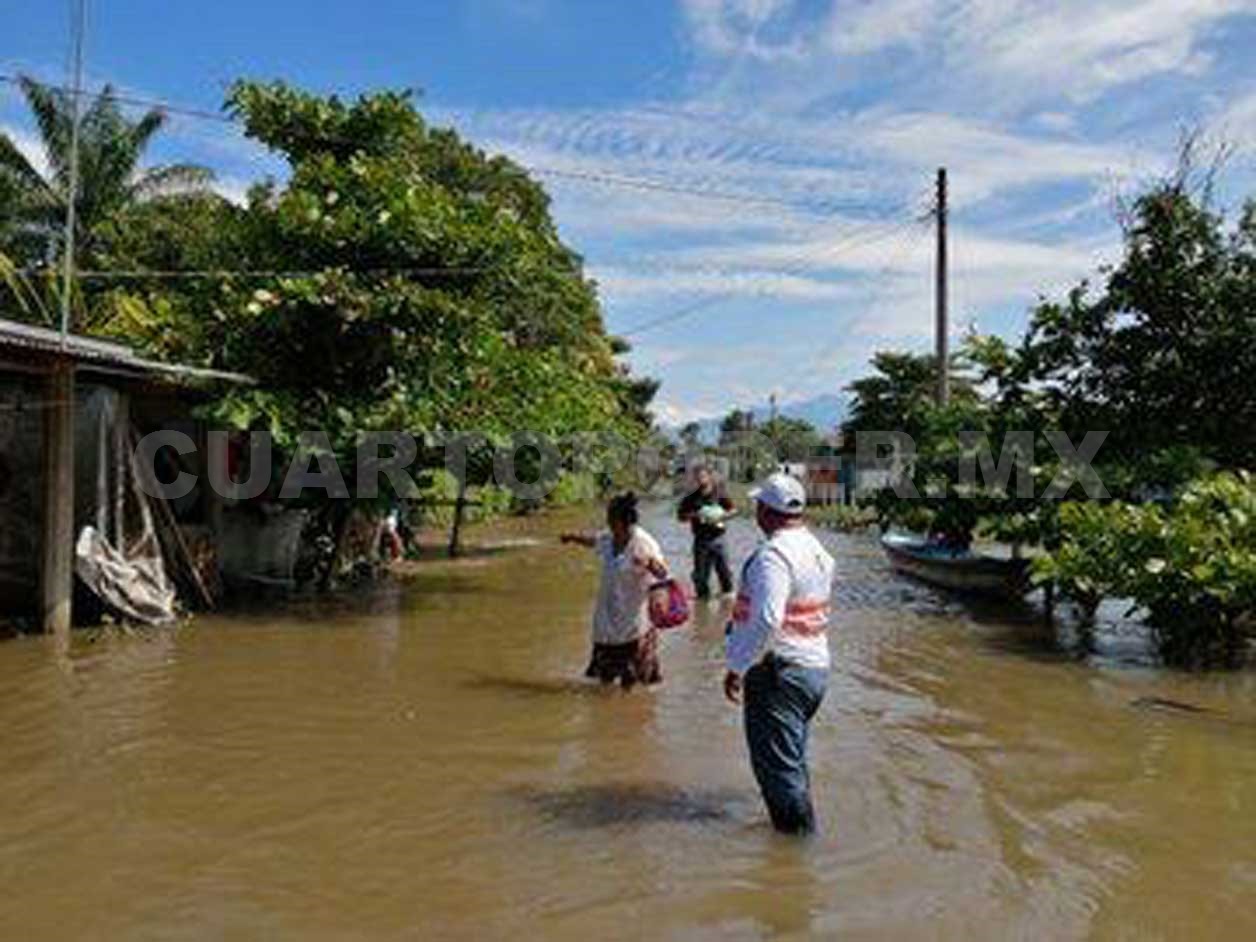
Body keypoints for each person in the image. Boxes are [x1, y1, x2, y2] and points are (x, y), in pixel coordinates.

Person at [723, 473, 835, 835]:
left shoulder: (774, 555)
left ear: (766, 511)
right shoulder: (817, 550)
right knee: (792, 762)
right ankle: (798, 836)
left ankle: (797, 853)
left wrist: (738, 666)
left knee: (779, 772)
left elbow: (769, 618)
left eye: (758, 505)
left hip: (780, 675)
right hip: (813, 670)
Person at [561, 493, 671, 689]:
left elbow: (663, 573)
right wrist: (572, 537)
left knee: (632, 684)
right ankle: (607, 714)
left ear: (623, 521)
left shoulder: (643, 543)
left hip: (634, 623)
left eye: (611, 519)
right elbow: (594, 540)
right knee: (605, 681)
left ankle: (628, 715)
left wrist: (649, 563)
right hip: (607, 618)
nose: (608, 523)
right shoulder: (609, 538)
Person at [677, 466, 736, 600]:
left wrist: (721, 516)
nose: (701, 479)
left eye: (703, 476)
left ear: (710, 477)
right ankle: (702, 604)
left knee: (725, 572)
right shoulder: (691, 498)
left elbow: (733, 510)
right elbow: (680, 517)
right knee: (701, 576)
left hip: (719, 538)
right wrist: (695, 515)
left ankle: (727, 603)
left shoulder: (720, 494)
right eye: (698, 477)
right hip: (700, 540)